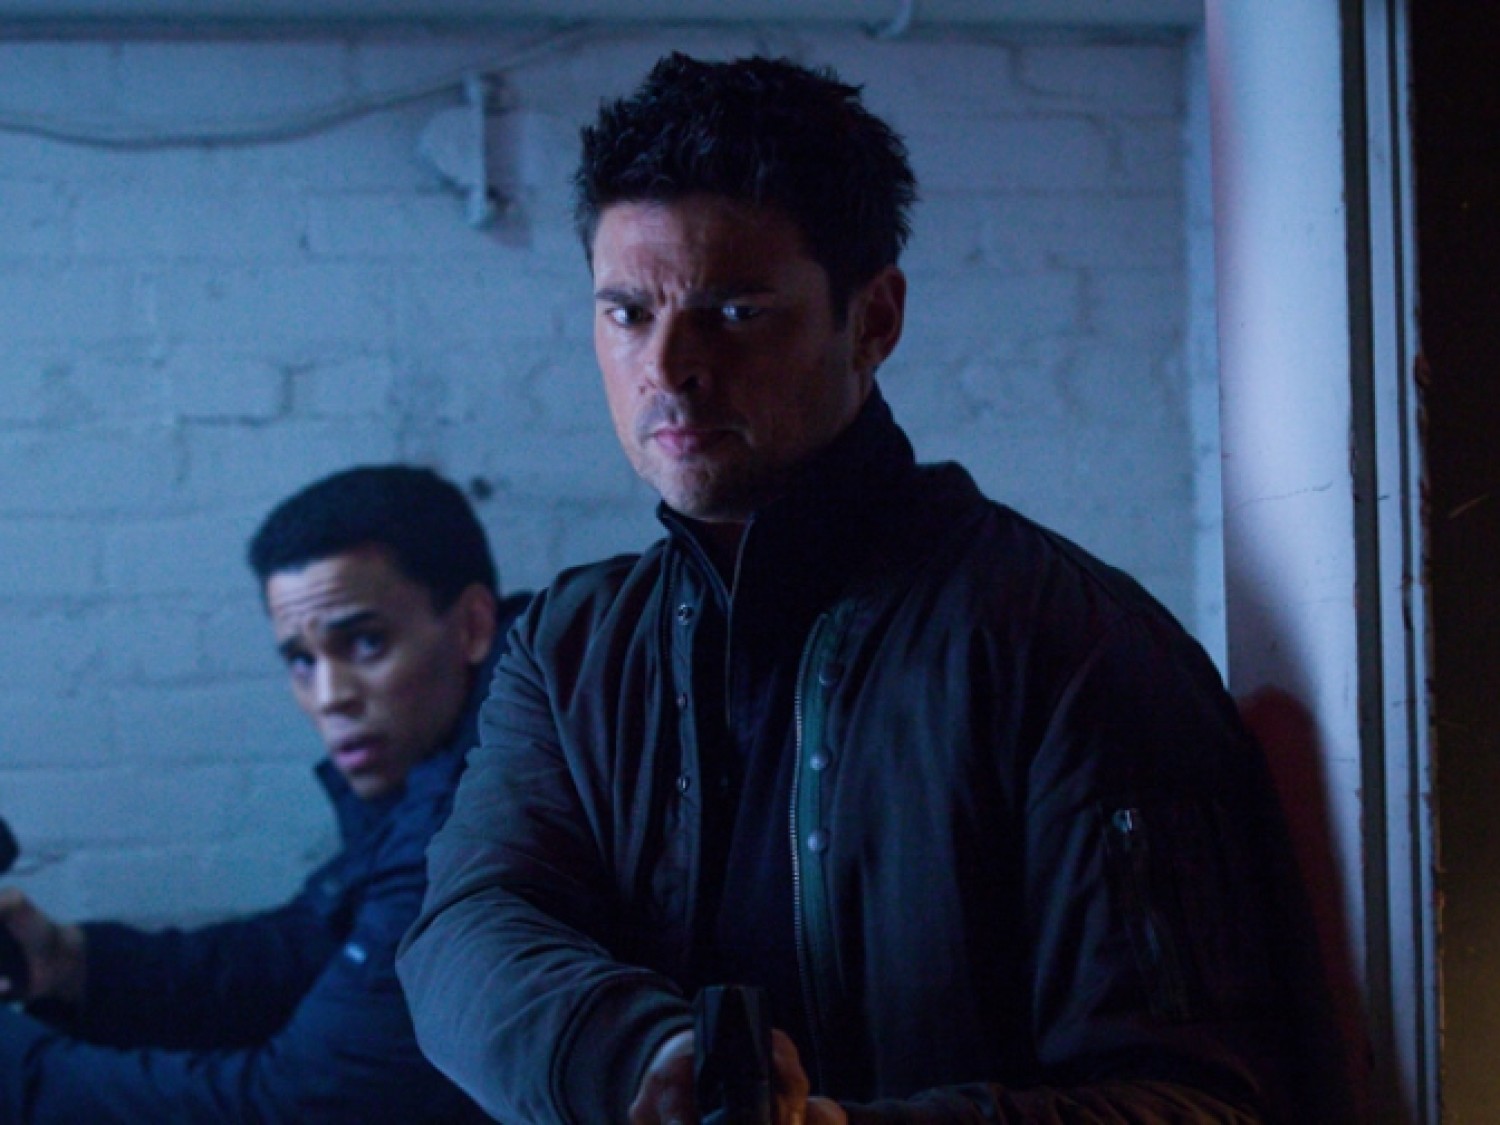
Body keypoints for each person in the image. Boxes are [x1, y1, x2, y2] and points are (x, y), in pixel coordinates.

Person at [398, 54, 1333, 1124]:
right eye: (626, 313)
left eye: (734, 311)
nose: (669, 365)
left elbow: (1200, 1102)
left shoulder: (1072, 644)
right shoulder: (571, 647)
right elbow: (467, 929)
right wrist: (641, 1060)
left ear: (874, 320)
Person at [0, 464, 528, 1123]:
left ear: (472, 625)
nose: (329, 696)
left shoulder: (492, 802)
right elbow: (314, 947)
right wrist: (70, 962)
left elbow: (304, 1104)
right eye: (301, 660)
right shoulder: (451, 754)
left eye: (366, 642)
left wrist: (15, 1070)